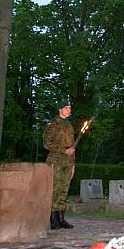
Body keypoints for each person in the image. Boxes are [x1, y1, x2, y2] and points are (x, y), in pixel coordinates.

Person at [43, 97, 75, 230]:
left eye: (70, 108)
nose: (69, 111)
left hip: (67, 162)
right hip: (56, 161)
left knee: (63, 190)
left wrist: (73, 164)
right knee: (54, 190)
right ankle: (52, 218)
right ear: (60, 109)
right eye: (67, 108)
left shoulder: (69, 125)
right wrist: (63, 150)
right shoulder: (53, 124)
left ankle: (61, 218)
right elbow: (47, 143)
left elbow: (72, 146)